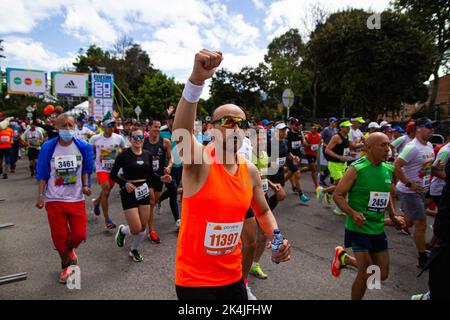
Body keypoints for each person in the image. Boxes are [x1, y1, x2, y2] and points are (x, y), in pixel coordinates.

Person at [173, 49, 291, 300]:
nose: (236, 128)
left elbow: (262, 211)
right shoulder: (200, 162)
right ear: (212, 129)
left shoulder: (248, 170)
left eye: (242, 123)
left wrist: (276, 238)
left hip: (233, 277)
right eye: (228, 122)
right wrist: (196, 81)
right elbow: (180, 133)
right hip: (195, 282)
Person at [331, 132, 406, 300]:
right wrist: (352, 213)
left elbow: (385, 195)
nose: (388, 149)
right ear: (369, 148)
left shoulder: (389, 168)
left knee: (382, 274)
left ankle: (345, 259)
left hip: (377, 228)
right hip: (358, 227)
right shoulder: (356, 169)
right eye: (383, 145)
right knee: (366, 273)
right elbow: (338, 195)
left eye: (388, 144)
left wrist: (393, 215)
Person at [35, 114, 94, 283]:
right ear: (56, 127)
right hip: (54, 200)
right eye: (64, 125)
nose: (68, 129)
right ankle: (65, 265)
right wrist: (40, 195)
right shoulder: (48, 147)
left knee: (79, 235)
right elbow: (42, 173)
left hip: (76, 199)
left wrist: (86, 185)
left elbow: (87, 168)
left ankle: (69, 251)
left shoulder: (84, 147)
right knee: (59, 239)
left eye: (70, 125)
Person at [112, 127, 171, 262]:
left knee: (143, 227)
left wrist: (161, 178)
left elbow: (151, 174)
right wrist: (124, 184)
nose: (138, 140)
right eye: (135, 137)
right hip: (129, 191)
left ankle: (134, 249)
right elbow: (113, 175)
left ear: (143, 139)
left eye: (140, 137)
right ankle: (122, 231)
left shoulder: (147, 154)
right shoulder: (123, 156)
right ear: (130, 139)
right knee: (135, 228)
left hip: (143, 190)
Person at [394, 118, 438, 268]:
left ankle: (377, 223)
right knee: (421, 223)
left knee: (408, 222)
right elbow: (396, 166)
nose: (432, 130)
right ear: (418, 128)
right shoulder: (412, 147)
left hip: (421, 191)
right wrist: (408, 183)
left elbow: (427, 167)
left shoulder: (430, 145)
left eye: (433, 127)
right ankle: (422, 258)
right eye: (428, 127)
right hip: (409, 192)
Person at [90, 117, 127, 229]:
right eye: (109, 125)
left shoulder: (119, 138)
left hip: (113, 169)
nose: (112, 127)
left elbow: (124, 151)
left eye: (113, 125)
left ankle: (96, 202)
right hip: (101, 168)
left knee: (107, 191)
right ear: (103, 127)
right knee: (106, 189)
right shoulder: (95, 138)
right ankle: (107, 220)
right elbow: (89, 150)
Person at [143, 119, 173, 243]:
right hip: (146, 176)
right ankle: (151, 230)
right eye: (155, 126)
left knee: (154, 201)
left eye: (159, 127)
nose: (157, 129)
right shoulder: (143, 142)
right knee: (151, 201)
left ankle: (145, 220)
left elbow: (171, 158)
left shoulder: (165, 142)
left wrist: (169, 167)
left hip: (159, 177)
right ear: (149, 128)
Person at [317, 118, 354, 214]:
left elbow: (344, 149)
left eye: (349, 127)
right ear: (341, 127)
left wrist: (350, 153)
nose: (349, 128)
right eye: (347, 127)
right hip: (334, 164)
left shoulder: (347, 136)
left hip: (343, 164)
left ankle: (336, 204)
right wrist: (339, 156)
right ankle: (323, 191)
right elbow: (327, 150)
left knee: (343, 185)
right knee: (341, 185)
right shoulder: (336, 137)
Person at [158, 111, 183, 230]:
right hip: (168, 168)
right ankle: (178, 220)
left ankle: (156, 200)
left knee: (173, 192)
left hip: (180, 167)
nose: (175, 122)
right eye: (173, 119)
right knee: (173, 191)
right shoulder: (162, 134)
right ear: (168, 121)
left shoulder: (182, 133)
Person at [286, 118, 310, 202]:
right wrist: (292, 156)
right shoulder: (288, 134)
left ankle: (280, 183)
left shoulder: (300, 133)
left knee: (291, 173)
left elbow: (304, 143)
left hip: (298, 156)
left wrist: (307, 142)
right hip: (290, 156)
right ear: (292, 125)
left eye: (299, 124)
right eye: (296, 125)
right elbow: (286, 148)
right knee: (297, 173)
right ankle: (301, 194)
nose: (298, 126)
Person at [301, 123, 322, 189]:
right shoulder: (308, 135)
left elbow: (319, 144)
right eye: (314, 128)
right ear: (311, 128)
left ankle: (297, 171)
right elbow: (304, 144)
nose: (315, 129)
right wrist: (307, 144)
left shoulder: (319, 136)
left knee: (309, 168)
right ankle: (317, 186)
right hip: (309, 153)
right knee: (313, 169)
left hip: (314, 154)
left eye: (316, 128)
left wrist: (319, 144)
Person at [319, 117, 338, 186]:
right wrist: (325, 144)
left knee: (332, 164)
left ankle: (329, 178)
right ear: (330, 122)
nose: (335, 123)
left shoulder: (336, 130)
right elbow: (320, 137)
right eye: (334, 122)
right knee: (331, 164)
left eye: (336, 122)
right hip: (326, 149)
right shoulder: (326, 130)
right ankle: (323, 178)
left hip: (333, 149)